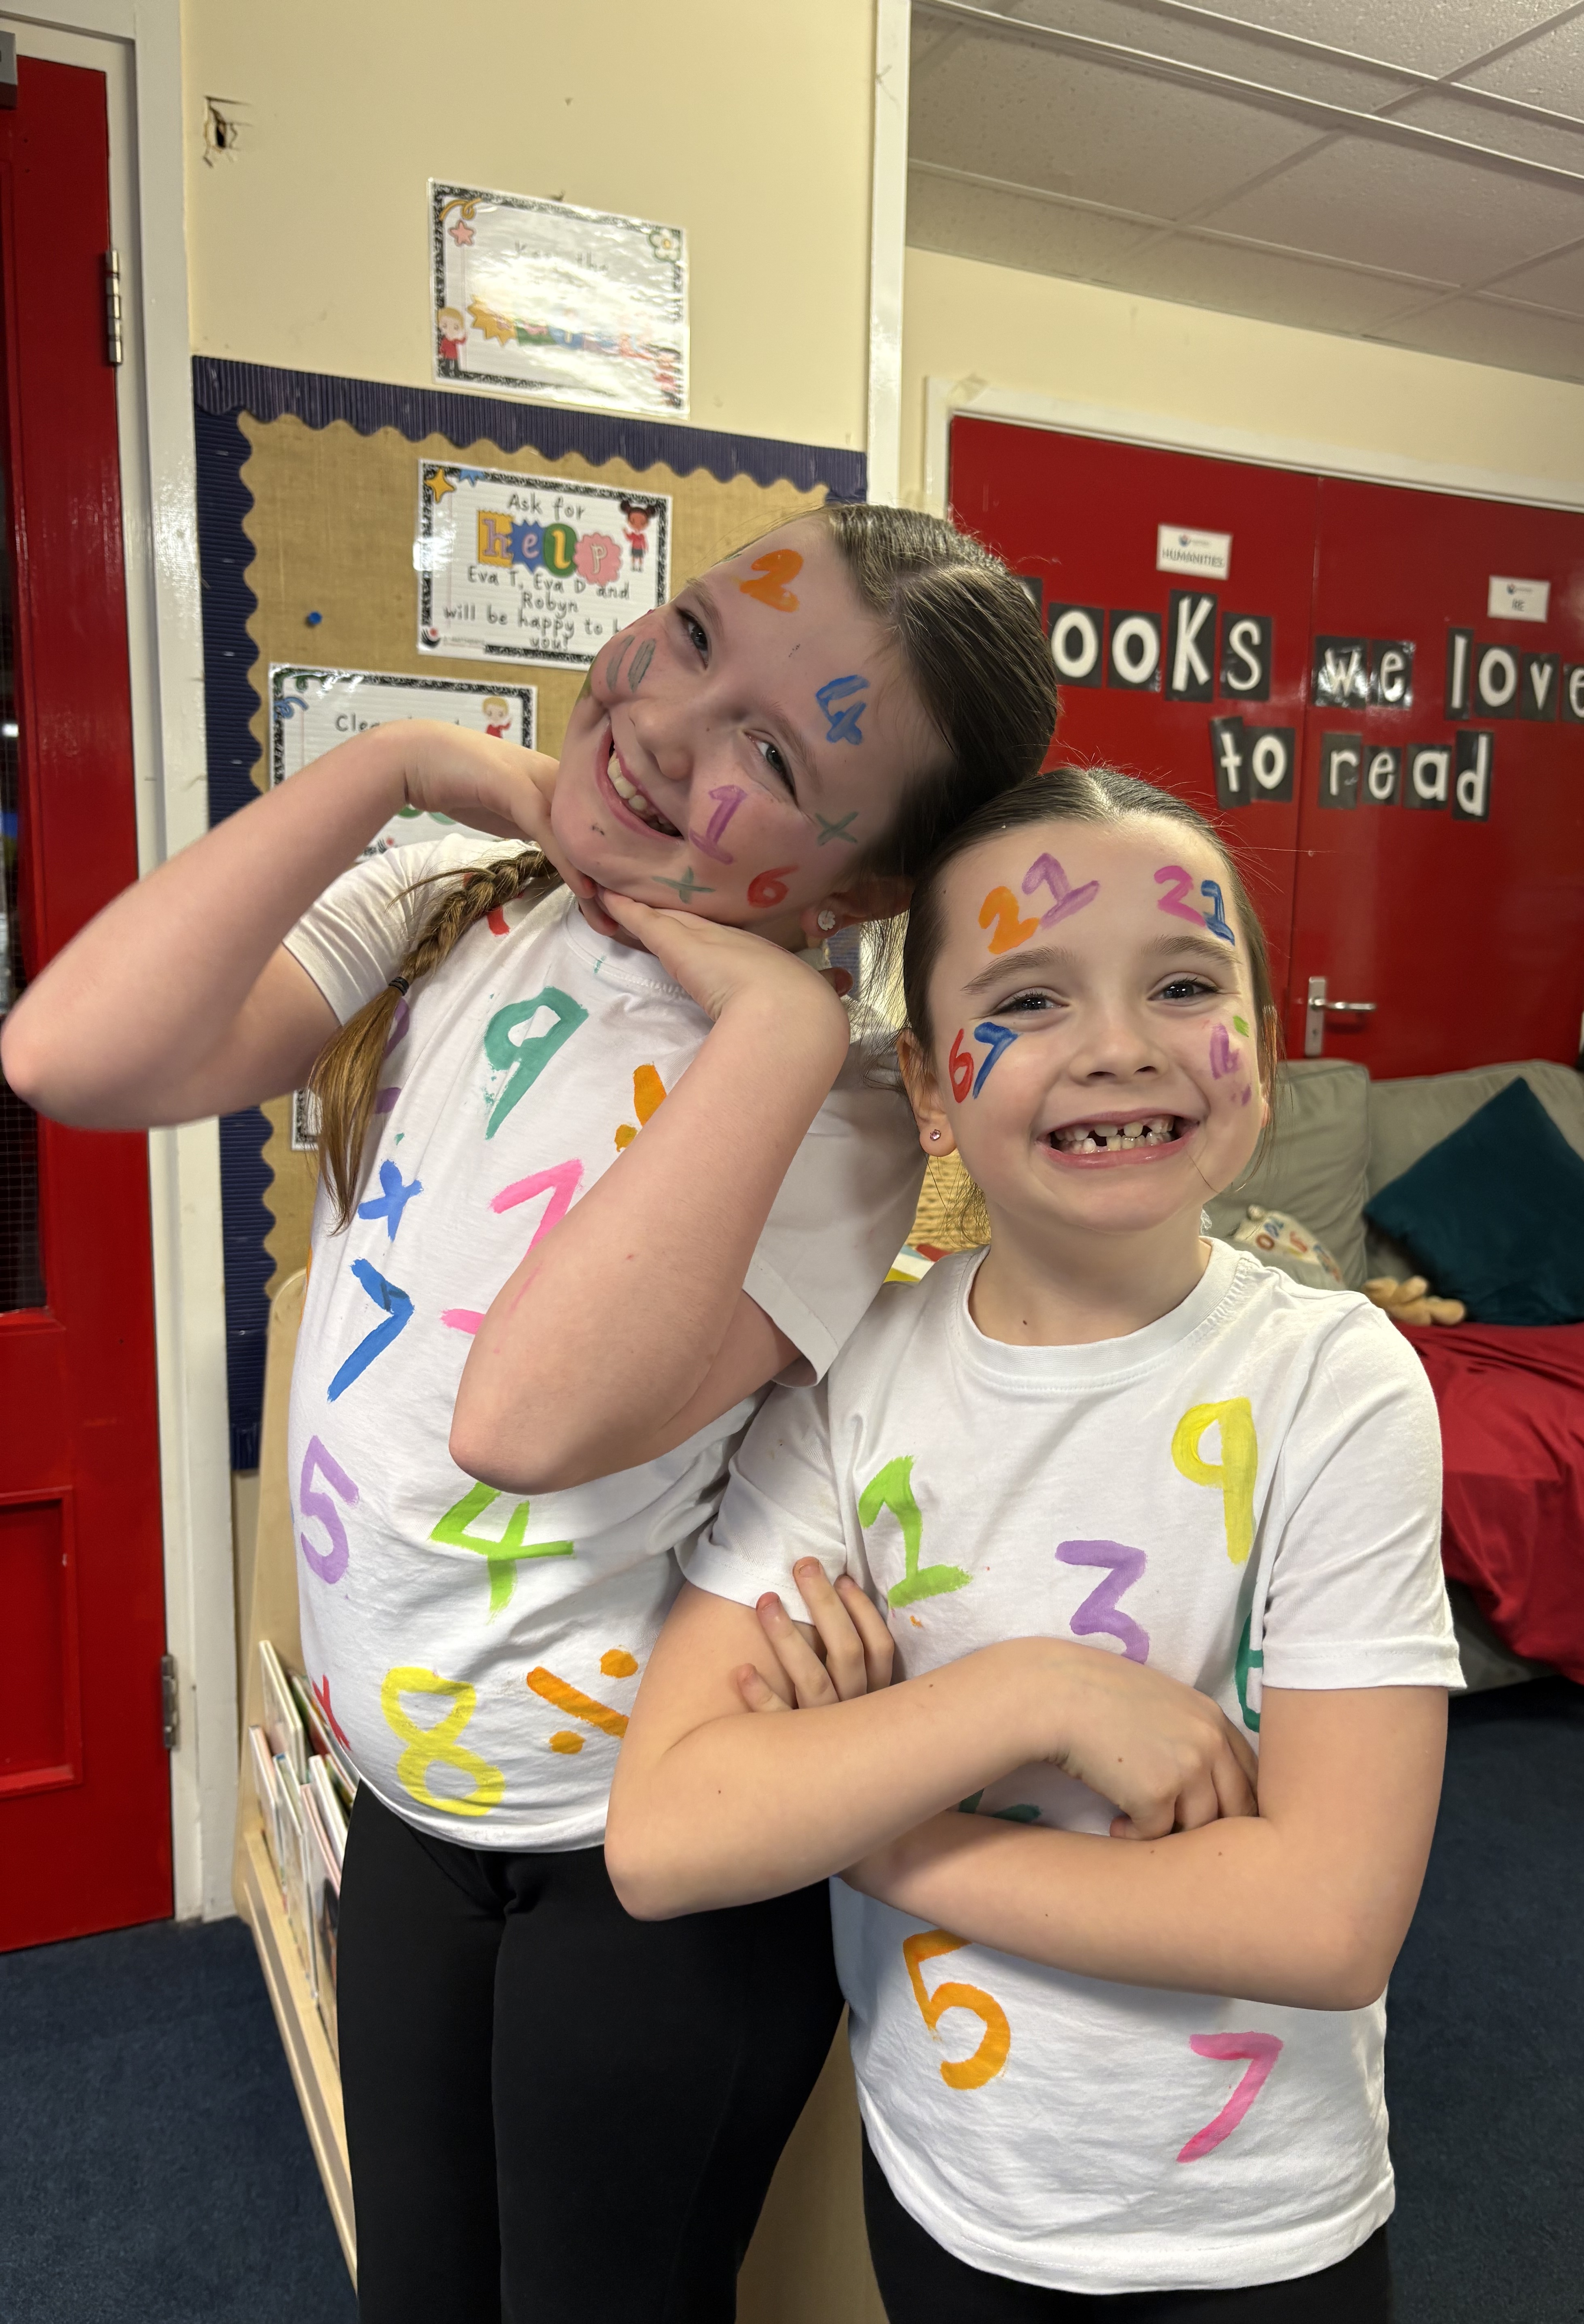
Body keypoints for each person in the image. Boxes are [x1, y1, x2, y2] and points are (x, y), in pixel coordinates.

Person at [0, 505, 1059, 2323]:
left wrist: (779, 1031)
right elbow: (66, 1054)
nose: (666, 724)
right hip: (417, 1802)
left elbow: (524, 1418)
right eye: (694, 633)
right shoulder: (456, 905)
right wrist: (399, 767)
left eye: (775, 755)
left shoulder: (829, 1119)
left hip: (637, 1852)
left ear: (865, 890)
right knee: (416, 2285)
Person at [607, 764, 1460, 2322]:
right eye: (1028, 999)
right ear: (929, 1089)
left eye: (1184, 985)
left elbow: (1324, 1922)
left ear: (1259, 1050)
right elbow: (667, 1835)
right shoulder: (851, 1380)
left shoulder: (1337, 1385)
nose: (1120, 1045)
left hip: (1250, 2233)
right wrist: (1031, 1696)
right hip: (948, 2188)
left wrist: (874, 1825)